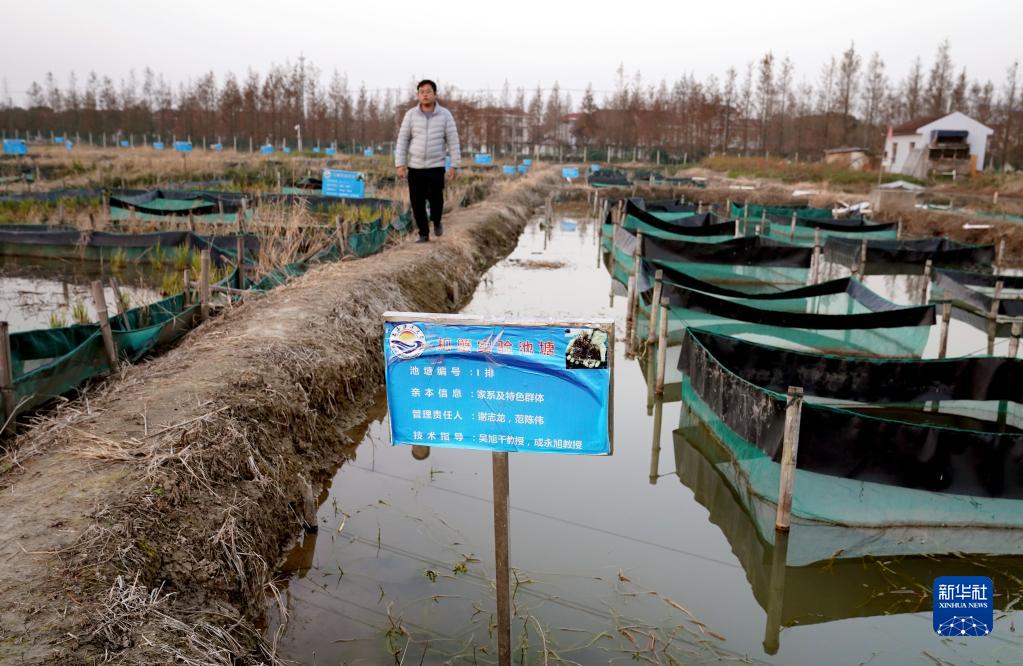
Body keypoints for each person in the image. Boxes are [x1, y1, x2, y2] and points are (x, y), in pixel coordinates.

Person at [395, 80, 461, 242]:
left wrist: (454, 165)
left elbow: (453, 141)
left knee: (436, 200)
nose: (425, 94)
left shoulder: (445, 115)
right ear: (418, 95)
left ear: (435, 94)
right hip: (415, 167)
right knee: (416, 203)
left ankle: (437, 220)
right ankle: (423, 234)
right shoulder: (411, 115)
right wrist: (400, 164)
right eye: (422, 92)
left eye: (428, 91)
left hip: (436, 166)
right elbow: (402, 140)